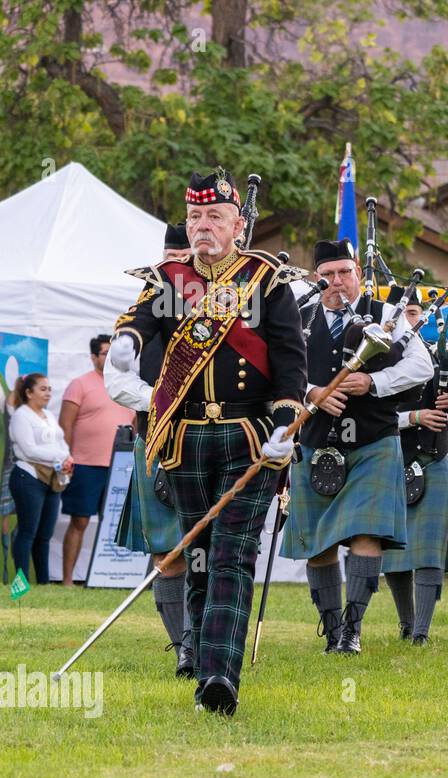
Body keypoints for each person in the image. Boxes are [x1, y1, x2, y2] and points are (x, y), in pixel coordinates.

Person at [110, 166, 308, 715]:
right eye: (195, 217)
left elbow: (292, 365)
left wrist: (286, 427)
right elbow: (141, 320)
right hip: (185, 437)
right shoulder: (170, 280)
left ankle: (221, 678)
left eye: (214, 216)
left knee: (232, 555)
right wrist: (126, 342)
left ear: (237, 224)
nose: (203, 226)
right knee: (197, 553)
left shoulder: (266, 282)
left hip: (248, 436)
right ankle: (199, 657)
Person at [283, 240, 434, 656]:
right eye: (328, 275)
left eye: (345, 273)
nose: (337, 283)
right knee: (318, 543)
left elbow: (422, 365)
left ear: (359, 275)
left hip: (373, 440)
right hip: (316, 443)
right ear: (317, 278)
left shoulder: (386, 314)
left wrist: (373, 383)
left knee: (368, 532)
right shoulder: (298, 316)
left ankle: (353, 629)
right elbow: (274, 370)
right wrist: (310, 392)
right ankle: (332, 630)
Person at [105, 222, 195, 677]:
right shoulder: (143, 308)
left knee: (214, 546)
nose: (176, 269)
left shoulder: (227, 308)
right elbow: (115, 381)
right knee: (167, 549)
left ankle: (208, 637)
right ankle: (183, 646)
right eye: (169, 260)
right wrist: (159, 401)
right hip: (157, 437)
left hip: (213, 438)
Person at [382, 291, 448, 644]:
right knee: (395, 551)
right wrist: (411, 417)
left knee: (428, 550)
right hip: (389, 463)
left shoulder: (439, 357)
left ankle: (422, 632)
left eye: (415, 313)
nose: (411, 320)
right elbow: (367, 416)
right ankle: (406, 622)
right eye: (404, 313)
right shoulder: (377, 358)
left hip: (433, 462)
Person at [58, 335, 135, 584]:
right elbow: (65, 426)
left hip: (121, 468)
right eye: (104, 353)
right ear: (93, 357)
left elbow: (137, 422)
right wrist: (66, 459)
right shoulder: (79, 385)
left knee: (115, 524)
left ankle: (112, 578)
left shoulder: (130, 384)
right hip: (86, 464)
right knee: (80, 520)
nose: (110, 356)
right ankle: (68, 580)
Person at [7, 373, 73, 584]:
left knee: (44, 535)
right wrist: (59, 457)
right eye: (43, 389)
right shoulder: (21, 416)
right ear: (28, 393)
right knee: (27, 532)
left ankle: (43, 583)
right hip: (28, 477)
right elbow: (28, 449)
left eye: (49, 389)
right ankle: (22, 583)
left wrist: (66, 458)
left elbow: (61, 442)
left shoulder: (49, 416)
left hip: (52, 479)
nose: (48, 393)